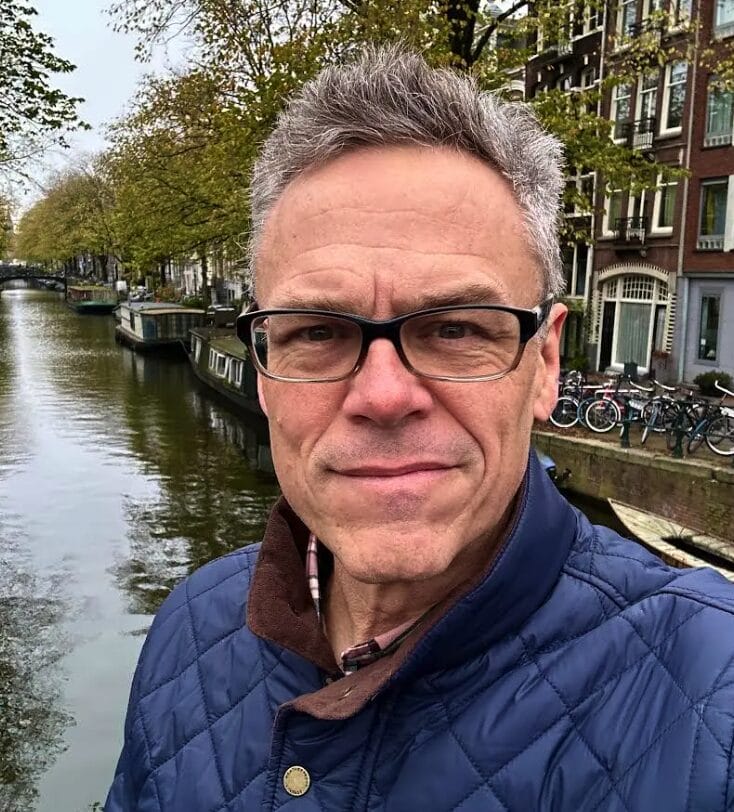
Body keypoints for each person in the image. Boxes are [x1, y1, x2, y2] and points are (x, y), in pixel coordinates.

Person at [106, 46, 734, 812]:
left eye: (456, 329)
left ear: (544, 366)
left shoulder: (712, 689)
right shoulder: (189, 626)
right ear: (264, 373)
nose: (382, 395)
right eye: (317, 332)